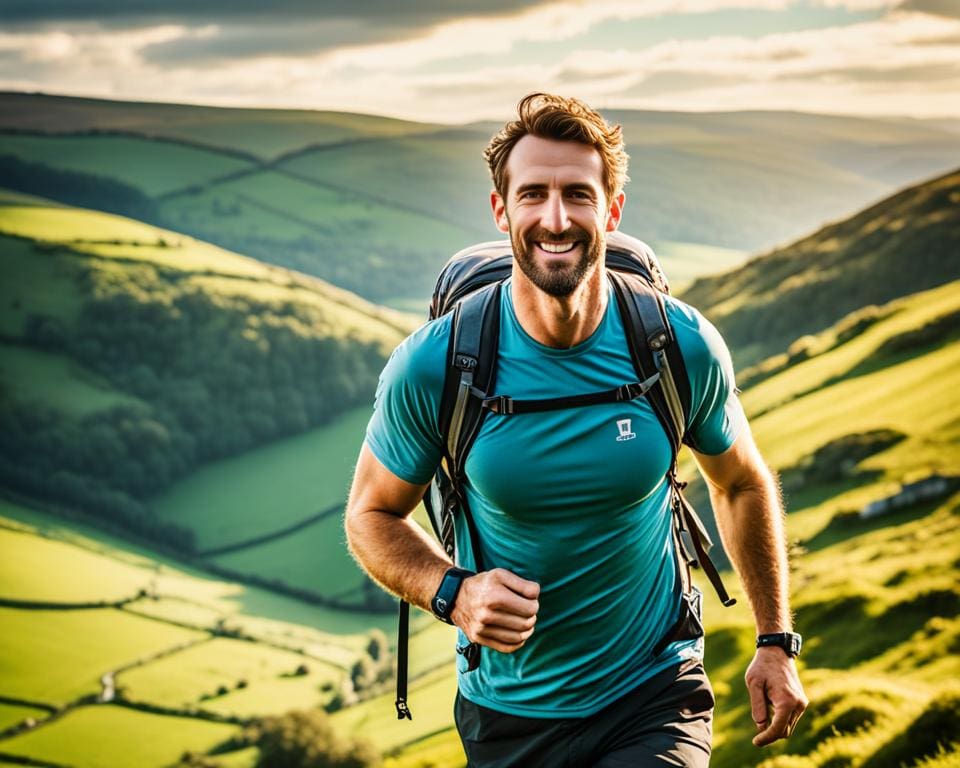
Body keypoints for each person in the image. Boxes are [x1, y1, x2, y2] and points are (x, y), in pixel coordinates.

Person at [345, 92, 808, 767]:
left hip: (655, 689)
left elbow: (740, 482)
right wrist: (456, 592)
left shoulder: (676, 346)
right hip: (509, 712)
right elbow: (370, 516)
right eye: (532, 194)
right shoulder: (438, 366)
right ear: (502, 210)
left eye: (578, 195)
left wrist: (775, 640)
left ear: (612, 210)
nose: (555, 219)